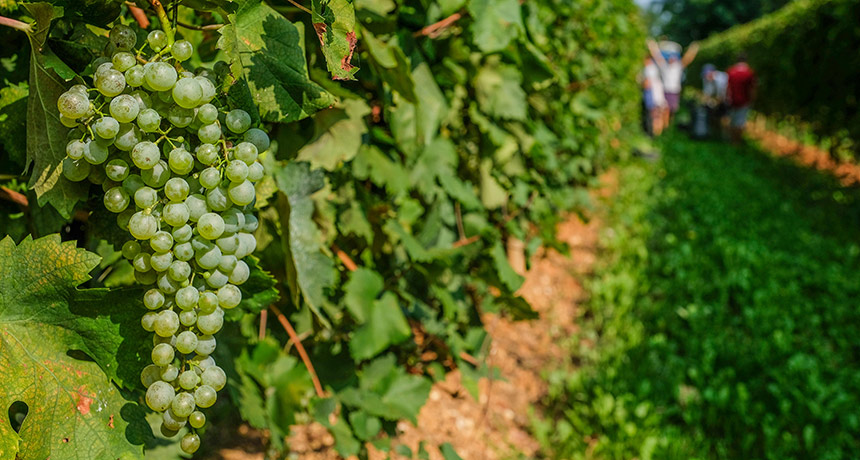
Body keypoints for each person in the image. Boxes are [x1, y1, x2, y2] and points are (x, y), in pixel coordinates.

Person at [648, 39, 699, 124]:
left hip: (674, 92)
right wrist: (652, 46)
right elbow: (657, 57)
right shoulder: (664, 66)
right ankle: (665, 126)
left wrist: (693, 50)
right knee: (664, 110)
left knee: (671, 110)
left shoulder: (678, 66)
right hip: (665, 91)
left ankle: (668, 126)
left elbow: (687, 59)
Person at [726, 53, 757, 144]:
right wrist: (753, 99)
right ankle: (737, 141)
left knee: (732, 121)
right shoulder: (749, 72)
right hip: (744, 101)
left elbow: (727, 87)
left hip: (732, 100)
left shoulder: (731, 71)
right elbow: (752, 88)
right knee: (740, 122)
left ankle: (732, 140)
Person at [641, 56, 668, 136]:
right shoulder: (656, 72)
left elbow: (647, 83)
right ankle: (658, 134)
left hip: (655, 98)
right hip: (658, 98)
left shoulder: (650, 69)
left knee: (656, 116)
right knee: (657, 116)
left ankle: (655, 133)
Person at [702, 63, 728, 138]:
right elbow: (707, 93)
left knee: (724, 118)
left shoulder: (722, 79)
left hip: (726, 99)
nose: (706, 77)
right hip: (718, 99)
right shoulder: (706, 79)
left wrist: (716, 102)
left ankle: (725, 136)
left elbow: (722, 95)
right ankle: (714, 134)